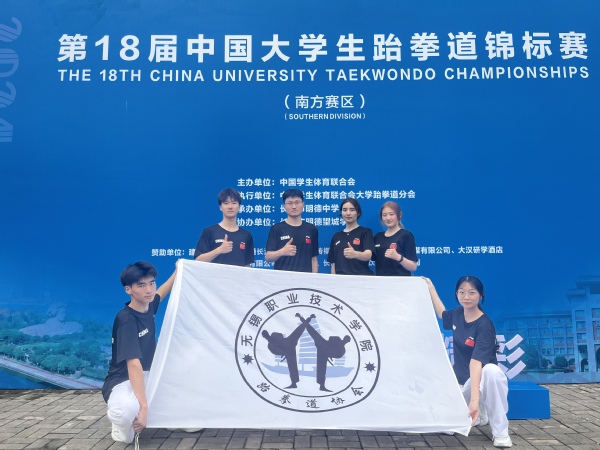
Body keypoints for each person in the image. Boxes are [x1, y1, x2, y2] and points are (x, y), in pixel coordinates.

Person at [423, 275, 512, 448]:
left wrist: (474, 399)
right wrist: (430, 288)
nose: (466, 297)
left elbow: (476, 363)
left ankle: (501, 432)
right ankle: (480, 414)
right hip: (461, 383)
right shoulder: (457, 313)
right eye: (462, 292)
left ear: (481, 295)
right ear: (456, 294)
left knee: (491, 371)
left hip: (480, 380)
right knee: (447, 425)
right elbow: (442, 314)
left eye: (472, 292)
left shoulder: (484, 325)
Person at [102, 261, 176, 444]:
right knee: (126, 411)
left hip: (149, 373)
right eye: (141, 285)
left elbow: (163, 291)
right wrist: (143, 408)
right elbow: (133, 364)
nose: (149, 290)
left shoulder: (148, 305)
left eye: (151, 283)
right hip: (122, 380)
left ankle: (172, 417)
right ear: (128, 289)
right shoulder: (126, 319)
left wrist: (178, 270)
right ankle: (120, 426)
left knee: (182, 382)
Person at [194, 187, 254, 267]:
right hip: (214, 275)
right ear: (220, 207)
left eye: (234, 203)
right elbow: (198, 260)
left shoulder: (246, 235)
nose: (230, 206)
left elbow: (247, 266)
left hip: (237, 275)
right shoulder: (209, 232)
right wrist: (219, 250)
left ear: (239, 207)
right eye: (226, 203)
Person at [265, 188, 318, 272]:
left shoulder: (311, 229)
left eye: (297, 202)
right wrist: (282, 251)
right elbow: (268, 257)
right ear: (284, 206)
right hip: (283, 278)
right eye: (290, 203)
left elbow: (314, 259)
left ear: (303, 204)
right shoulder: (277, 228)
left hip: (305, 278)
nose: (294, 206)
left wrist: (314, 278)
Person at [327, 197, 374, 275]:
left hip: (361, 278)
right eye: (345, 210)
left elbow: (368, 255)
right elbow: (334, 264)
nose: (348, 213)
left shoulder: (365, 232)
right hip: (341, 279)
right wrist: (334, 280)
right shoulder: (336, 236)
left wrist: (355, 254)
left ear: (358, 212)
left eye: (352, 210)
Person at [372, 201, 418, 276]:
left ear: (399, 215)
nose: (388, 218)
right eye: (384, 215)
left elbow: (413, 267)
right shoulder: (378, 237)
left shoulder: (406, 235)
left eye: (391, 214)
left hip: (400, 281)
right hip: (381, 281)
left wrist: (398, 257)